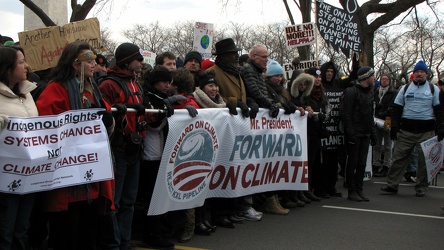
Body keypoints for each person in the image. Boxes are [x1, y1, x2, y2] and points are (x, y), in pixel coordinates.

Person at [35, 41, 115, 249]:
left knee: (88, 230)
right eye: (88, 59)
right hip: (66, 174)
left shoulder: (93, 89)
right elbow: (45, 124)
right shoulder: (56, 88)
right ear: (74, 64)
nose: (94, 64)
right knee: (66, 231)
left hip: (91, 173)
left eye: (95, 59)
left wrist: (109, 119)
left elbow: (105, 117)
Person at [205, 38, 261, 225]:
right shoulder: (212, 72)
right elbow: (210, 96)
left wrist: (250, 102)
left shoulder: (237, 72)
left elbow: (244, 93)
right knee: (224, 169)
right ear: (222, 56)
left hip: (240, 125)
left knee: (237, 168)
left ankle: (233, 208)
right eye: (232, 53)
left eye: (236, 53)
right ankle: (220, 213)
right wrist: (236, 102)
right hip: (223, 127)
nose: (236, 56)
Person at [99, 42, 146, 250]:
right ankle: (113, 244)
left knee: (129, 201)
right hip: (118, 147)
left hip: (135, 147)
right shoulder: (108, 84)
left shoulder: (136, 83)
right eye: (138, 59)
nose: (142, 62)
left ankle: (125, 242)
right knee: (115, 202)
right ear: (127, 62)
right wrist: (119, 110)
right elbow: (101, 114)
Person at [381, 61, 444, 197]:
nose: (419, 74)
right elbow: (396, 109)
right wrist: (394, 127)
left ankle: (421, 187)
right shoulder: (405, 88)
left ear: (426, 74)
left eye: (422, 72)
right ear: (413, 74)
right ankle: (392, 185)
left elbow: (439, 111)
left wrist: (440, 128)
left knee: (424, 162)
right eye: (417, 72)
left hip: (426, 132)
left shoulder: (434, 89)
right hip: (406, 131)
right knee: (398, 159)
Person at [0, 45, 38, 250]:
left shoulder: (27, 93)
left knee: (22, 228)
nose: (27, 66)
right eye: (21, 62)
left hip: (28, 173)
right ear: (7, 68)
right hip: (4, 175)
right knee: (5, 229)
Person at [140, 65, 178, 249]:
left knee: (160, 194)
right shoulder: (148, 98)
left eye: (169, 82)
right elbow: (152, 125)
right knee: (151, 195)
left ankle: (160, 228)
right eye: (164, 81)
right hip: (151, 153)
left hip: (163, 151)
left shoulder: (162, 99)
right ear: (155, 82)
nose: (167, 85)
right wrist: (163, 116)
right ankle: (152, 233)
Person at [342, 66, 376, 202]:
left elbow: (369, 116)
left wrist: (373, 133)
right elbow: (346, 114)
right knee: (353, 162)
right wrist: (350, 133)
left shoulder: (369, 92)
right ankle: (351, 190)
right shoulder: (351, 92)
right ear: (366, 78)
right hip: (355, 133)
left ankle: (359, 188)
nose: (374, 78)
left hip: (365, 133)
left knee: (362, 163)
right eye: (372, 75)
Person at [303, 67, 329, 201]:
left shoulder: (321, 94)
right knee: (307, 163)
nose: (318, 79)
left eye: (320, 77)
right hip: (307, 132)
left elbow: (326, 110)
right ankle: (305, 189)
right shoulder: (306, 93)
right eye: (315, 76)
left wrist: (323, 116)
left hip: (317, 132)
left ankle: (312, 188)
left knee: (314, 163)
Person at [290, 72, 315, 204]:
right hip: (292, 136)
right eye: (300, 83)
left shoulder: (304, 98)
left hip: (303, 135)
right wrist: (295, 109)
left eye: (305, 84)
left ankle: (300, 192)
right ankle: (293, 194)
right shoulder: (290, 96)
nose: (303, 86)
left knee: (302, 164)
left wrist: (310, 110)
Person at [241, 44, 280, 118]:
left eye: (267, 57)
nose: (267, 59)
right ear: (253, 56)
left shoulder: (258, 71)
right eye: (264, 57)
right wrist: (270, 104)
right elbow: (255, 92)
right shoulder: (248, 69)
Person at [372, 74, 397, 177]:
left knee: (387, 145)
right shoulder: (375, 92)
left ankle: (387, 165)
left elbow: (394, 106)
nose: (384, 81)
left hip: (387, 120)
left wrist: (385, 113)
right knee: (376, 144)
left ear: (389, 81)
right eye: (383, 79)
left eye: (386, 79)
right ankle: (376, 164)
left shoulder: (393, 92)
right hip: (376, 120)